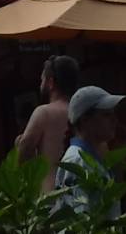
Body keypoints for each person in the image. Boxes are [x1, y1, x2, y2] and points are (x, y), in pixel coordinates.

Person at [54, 84, 126, 217]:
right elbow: (81, 222)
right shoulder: (76, 162)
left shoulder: (91, 159)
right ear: (85, 119)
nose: (114, 120)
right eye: (106, 115)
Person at [16, 56, 80, 188]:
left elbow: (25, 148)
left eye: (42, 79)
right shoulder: (83, 113)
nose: (40, 83)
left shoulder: (44, 113)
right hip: (80, 194)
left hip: (51, 195)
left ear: (50, 83)